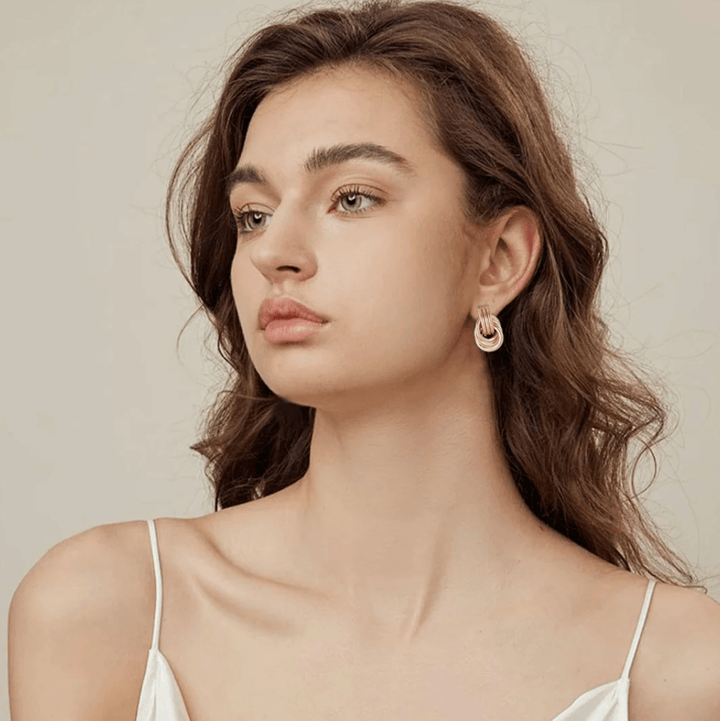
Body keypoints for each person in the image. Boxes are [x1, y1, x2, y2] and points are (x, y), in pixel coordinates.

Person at [9, 0, 720, 719]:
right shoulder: (108, 612)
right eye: (253, 214)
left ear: (498, 262)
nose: (272, 251)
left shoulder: (676, 668)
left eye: (352, 198)